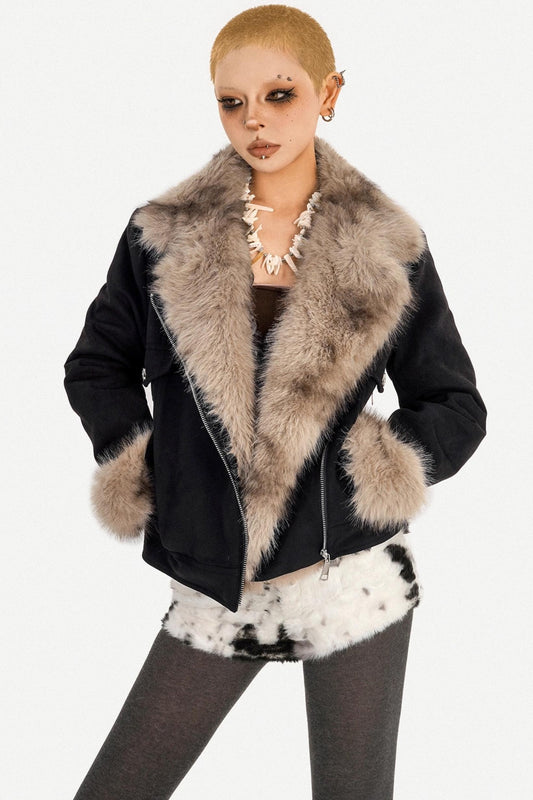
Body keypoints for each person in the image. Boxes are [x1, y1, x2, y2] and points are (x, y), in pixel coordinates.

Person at [64, 5, 487, 799]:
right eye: (232, 102)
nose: (254, 120)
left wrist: (370, 471)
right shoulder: (160, 234)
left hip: (350, 576)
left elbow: (454, 403)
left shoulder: (389, 246)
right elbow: (95, 368)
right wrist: (156, 467)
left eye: (279, 94)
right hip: (217, 578)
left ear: (328, 93)